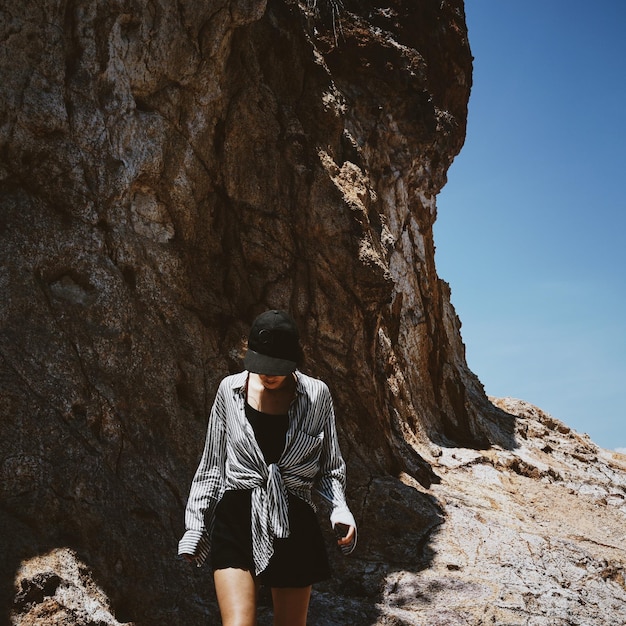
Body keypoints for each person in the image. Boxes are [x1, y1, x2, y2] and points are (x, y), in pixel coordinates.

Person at [178, 309, 357, 626]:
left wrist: (339, 510)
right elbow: (212, 467)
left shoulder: (317, 395)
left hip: (294, 519)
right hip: (235, 517)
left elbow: (329, 468)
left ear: (295, 360)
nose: (267, 374)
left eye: (277, 367)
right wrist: (195, 528)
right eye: (260, 365)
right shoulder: (229, 391)